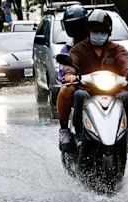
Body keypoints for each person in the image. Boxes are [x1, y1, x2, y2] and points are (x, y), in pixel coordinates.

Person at [63, 9, 128, 152]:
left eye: (102, 31)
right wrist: (70, 74)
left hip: (114, 91)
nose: (98, 35)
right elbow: (71, 63)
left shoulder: (116, 49)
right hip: (87, 90)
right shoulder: (78, 49)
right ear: (89, 31)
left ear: (108, 32)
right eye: (95, 31)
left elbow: (126, 62)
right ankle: (77, 136)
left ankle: (127, 137)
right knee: (77, 95)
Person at [57, 4, 89, 152]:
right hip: (79, 85)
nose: (76, 28)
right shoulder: (67, 48)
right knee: (65, 90)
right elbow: (64, 70)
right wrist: (70, 76)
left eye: (78, 24)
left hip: (101, 84)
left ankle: (124, 135)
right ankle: (64, 130)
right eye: (72, 25)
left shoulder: (99, 42)